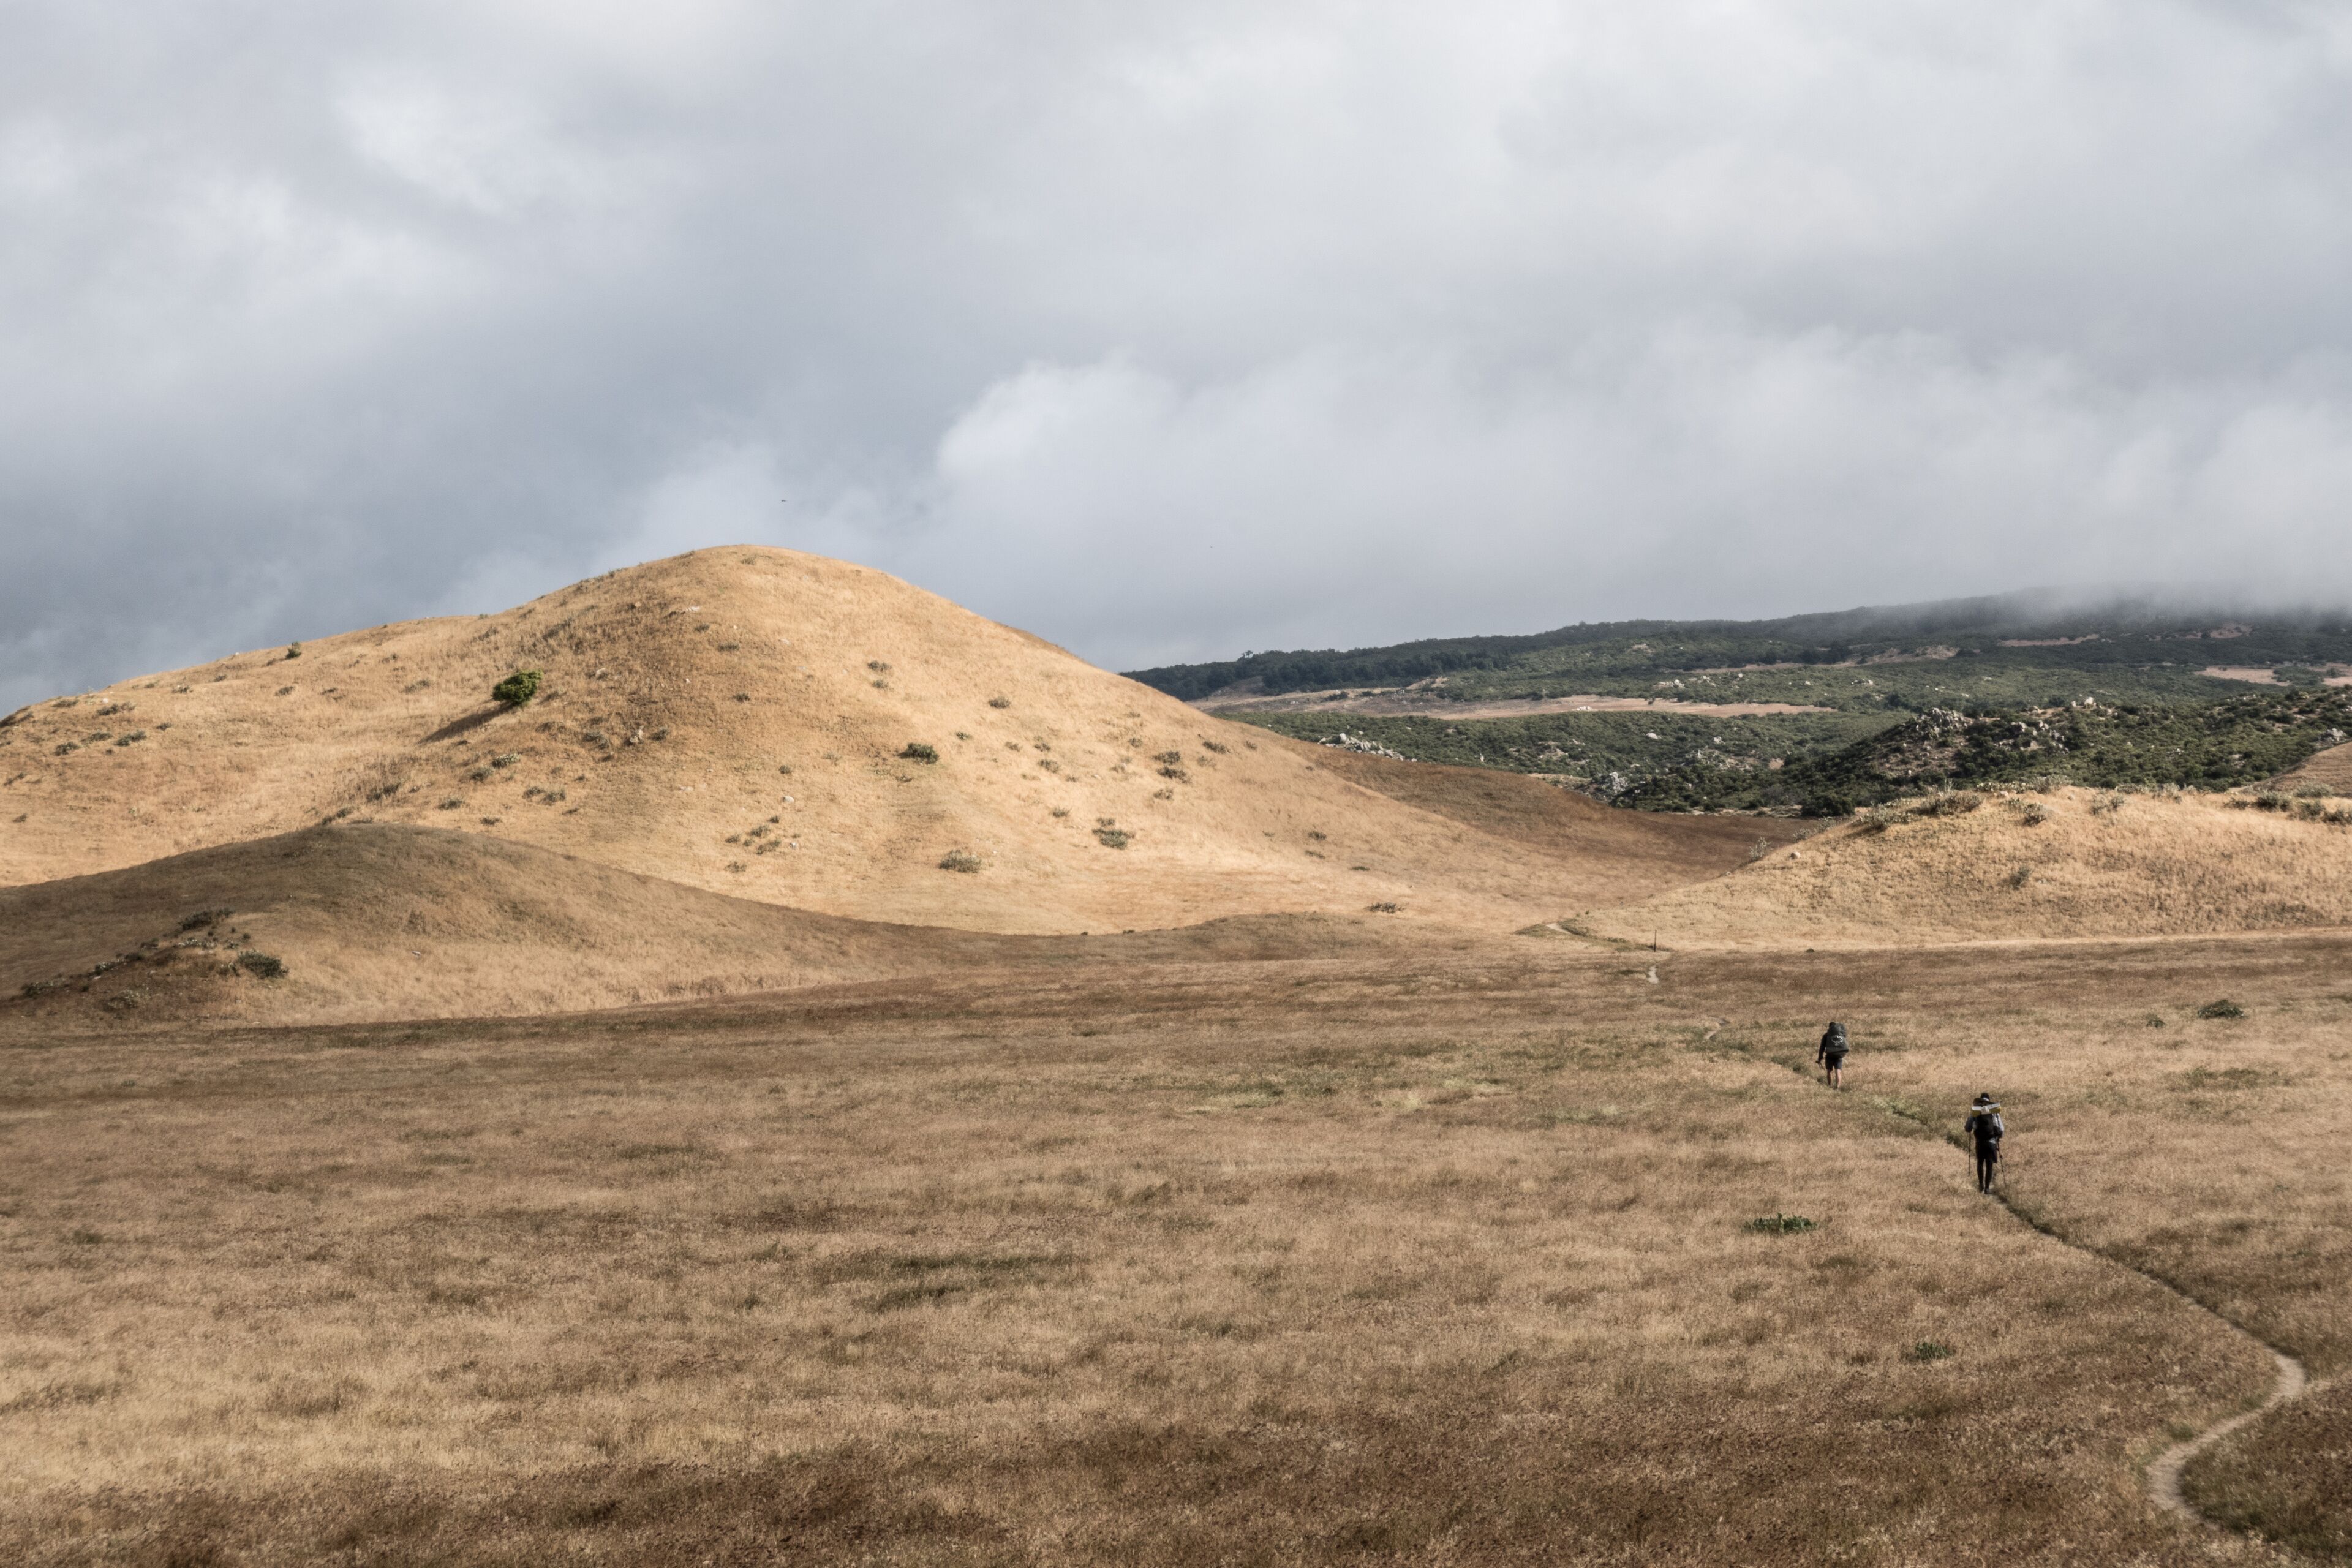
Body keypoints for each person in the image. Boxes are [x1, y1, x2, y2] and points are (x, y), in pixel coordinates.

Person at [1964, 1094, 2005, 1194]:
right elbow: (2002, 1130)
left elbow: (1967, 1128)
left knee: (1980, 1163)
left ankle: (1981, 1185)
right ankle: (1987, 1188)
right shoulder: (1994, 1112)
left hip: (1980, 1142)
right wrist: (1998, 1137)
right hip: (1991, 1142)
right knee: (1989, 1165)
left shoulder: (1975, 1112)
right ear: (1989, 1101)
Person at [1816, 1022, 1849, 1089]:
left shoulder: (1826, 1035)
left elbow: (1822, 1047)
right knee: (1838, 1072)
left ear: (1830, 1028)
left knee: (1829, 1072)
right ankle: (1838, 1087)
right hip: (1839, 1055)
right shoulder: (1841, 1034)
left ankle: (1829, 1086)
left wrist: (1820, 1058)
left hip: (1830, 1056)